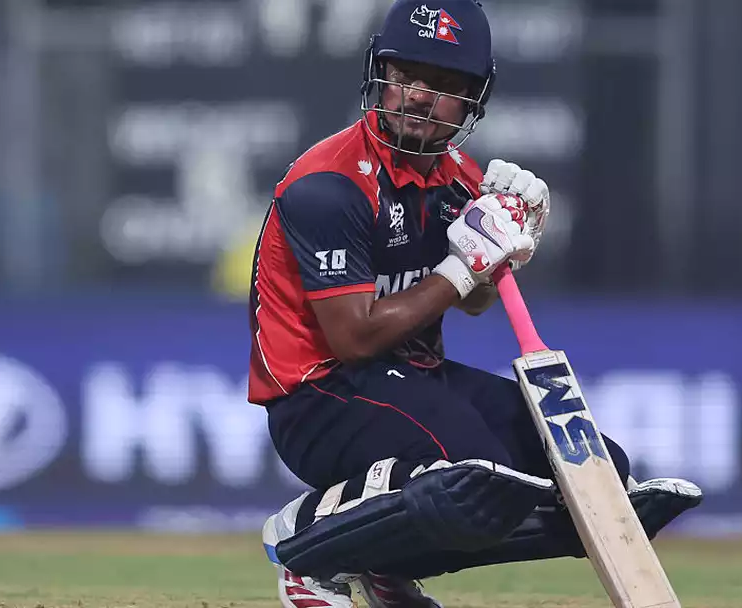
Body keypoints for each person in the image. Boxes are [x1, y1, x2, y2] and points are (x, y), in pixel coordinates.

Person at [248, 2, 702, 607]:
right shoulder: (327, 186)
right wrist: (464, 264)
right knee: (473, 474)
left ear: (472, 100)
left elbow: (477, 301)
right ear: (379, 73)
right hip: (318, 395)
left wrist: (510, 245)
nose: (417, 96)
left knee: (595, 474)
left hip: (409, 377)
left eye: (443, 86)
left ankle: (381, 563)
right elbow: (352, 339)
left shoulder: (458, 176)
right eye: (405, 75)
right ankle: (312, 547)